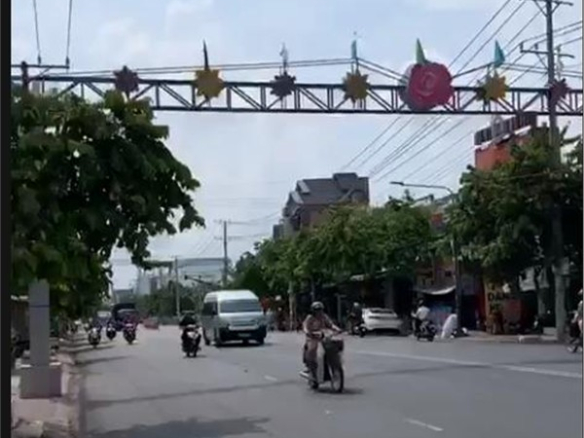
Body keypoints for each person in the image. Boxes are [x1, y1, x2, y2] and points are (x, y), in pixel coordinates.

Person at [302, 301, 341, 374]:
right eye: (317, 310)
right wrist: (307, 332)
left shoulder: (324, 317)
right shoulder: (310, 318)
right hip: (312, 337)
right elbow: (305, 327)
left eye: (320, 310)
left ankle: (333, 362)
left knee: (333, 346)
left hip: (323, 337)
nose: (319, 312)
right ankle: (310, 365)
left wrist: (336, 329)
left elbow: (331, 325)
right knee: (311, 349)